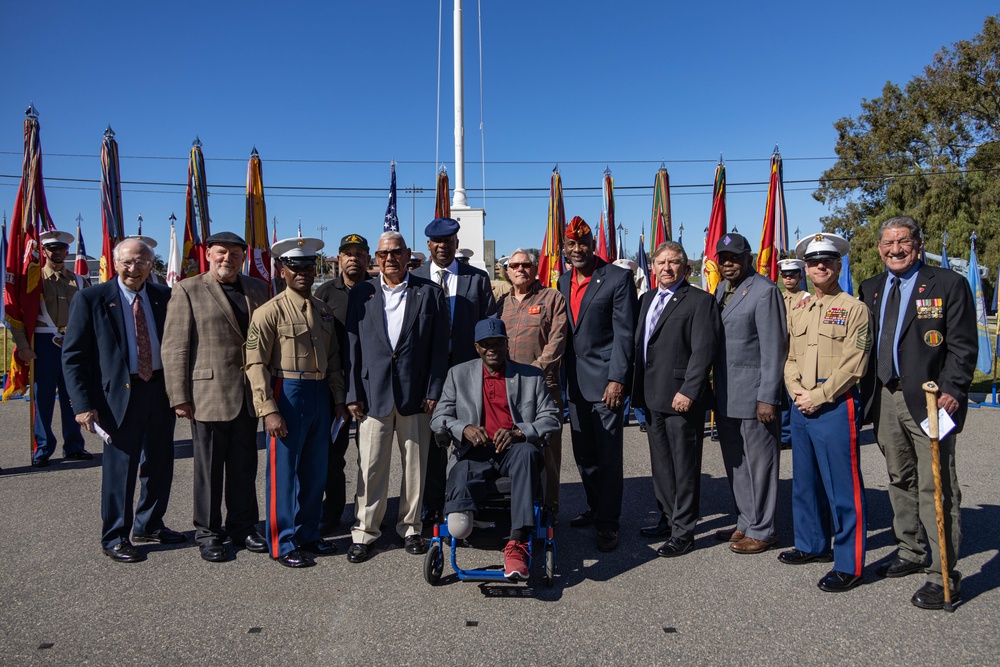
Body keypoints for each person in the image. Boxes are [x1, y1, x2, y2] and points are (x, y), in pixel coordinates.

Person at [858, 215, 977, 610]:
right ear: (879, 248)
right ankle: (910, 549)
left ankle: (943, 574)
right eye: (888, 243)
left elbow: (962, 345)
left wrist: (954, 389)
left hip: (930, 400)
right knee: (899, 478)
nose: (895, 250)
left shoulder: (947, 284)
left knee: (936, 486)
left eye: (903, 242)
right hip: (885, 398)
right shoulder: (871, 288)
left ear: (918, 244)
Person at [62, 238, 185, 562]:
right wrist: (83, 405)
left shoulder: (164, 297)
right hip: (117, 394)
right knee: (121, 468)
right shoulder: (91, 299)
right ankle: (115, 536)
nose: (135, 268)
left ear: (151, 265)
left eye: (142, 262)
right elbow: (73, 357)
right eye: (128, 262)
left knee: (160, 463)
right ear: (116, 263)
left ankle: (149, 524)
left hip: (159, 391)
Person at [161, 231, 271, 562]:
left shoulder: (258, 288)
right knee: (208, 470)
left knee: (244, 466)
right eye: (222, 253)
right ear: (208, 254)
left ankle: (243, 526)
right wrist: (178, 396)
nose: (228, 259)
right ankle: (208, 532)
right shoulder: (188, 289)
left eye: (235, 254)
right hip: (207, 394)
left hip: (249, 394)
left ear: (243, 257)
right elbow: (175, 346)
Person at [344, 231, 450, 563]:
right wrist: (352, 393)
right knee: (370, 467)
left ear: (408, 256)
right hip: (372, 396)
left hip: (416, 396)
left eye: (396, 253)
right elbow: (352, 349)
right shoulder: (362, 293)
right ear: (376, 259)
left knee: (415, 467)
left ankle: (411, 527)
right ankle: (365, 531)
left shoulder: (430, 293)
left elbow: (439, 348)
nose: (390, 258)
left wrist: (434, 390)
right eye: (384, 254)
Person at [245, 237, 347, 568]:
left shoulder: (322, 310)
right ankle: (282, 540)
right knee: (284, 472)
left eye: (308, 266)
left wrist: (339, 400)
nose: (303, 272)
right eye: (296, 267)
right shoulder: (268, 312)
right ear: (282, 270)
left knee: (316, 470)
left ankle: (308, 534)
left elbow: (332, 360)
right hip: (286, 391)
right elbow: (255, 363)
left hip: (319, 395)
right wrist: (268, 409)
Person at [430, 317, 560, 579]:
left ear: (506, 344)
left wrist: (519, 432)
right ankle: (463, 526)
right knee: (460, 476)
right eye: (486, 344)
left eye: (498, 343)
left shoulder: (531, 376)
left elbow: (552, 418)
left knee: (527, 453)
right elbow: (438, 418)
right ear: (477, 347)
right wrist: (464, 428)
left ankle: (517, 542)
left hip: (513, 450)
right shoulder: (459, 374)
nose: (493, 349)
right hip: (474, 451)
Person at [779, 234, 871, 593]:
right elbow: (789, 356)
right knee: (805, 481)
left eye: (827, 261)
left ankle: (849, 564)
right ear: (805, 268)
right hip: (801, 400)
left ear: (837, 266)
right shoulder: (800, 309)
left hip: (835, 403)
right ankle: (811, 544)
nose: (820, 266)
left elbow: (855, 364)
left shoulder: (854, 308)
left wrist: (818, 395)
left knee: (843, 488)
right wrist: (796, 391)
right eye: (814, 261)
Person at [632, 241, 721, 556]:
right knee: (662, 465)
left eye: (673, 262)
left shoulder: (700, 301)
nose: (666, 268)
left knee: (684, 466)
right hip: (651, 395)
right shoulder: (646, 300)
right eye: (661, 262)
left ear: (686, 267)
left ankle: (684, 531)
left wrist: (690, 390)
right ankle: (668, 518)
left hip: (681, 397)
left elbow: (703, 350)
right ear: (652, 267)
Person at [557, 216, 637, 552]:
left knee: (607, 457)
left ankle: (608, 523)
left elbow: (624, 333)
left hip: (605, 383)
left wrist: (617, 379)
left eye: (583, 243)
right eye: (571, 244)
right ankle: (594, 507)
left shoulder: (617, 278)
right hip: (574, 384)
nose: (578, 250)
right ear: (564, 248)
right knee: (584, 454)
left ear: (593, 245)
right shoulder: (562, 281)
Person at [411, 217, 497, 525]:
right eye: (437, 243)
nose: (443, 247)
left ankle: (472, 501)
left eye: (449, 242)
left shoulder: (477, 278)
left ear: (456, 244)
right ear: (429, 246)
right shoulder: (416, 278)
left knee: (471, 435)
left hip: (467, 373)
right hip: (429, 375)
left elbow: (488, 325)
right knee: (434, 441)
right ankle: (433, 505)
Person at [713, 233, 787, 554]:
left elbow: (774, 349)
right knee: (737, 463)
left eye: (735, 257)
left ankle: (764, 529)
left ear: (749, 258)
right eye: (723, 258)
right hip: (727, 395)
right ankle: (745, 520)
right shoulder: (720, 290)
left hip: (755, 396)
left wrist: (768, 396)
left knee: (761, 465)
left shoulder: (765, 291)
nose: (728, 263)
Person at [496, 248, 568, 515]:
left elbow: (557, 341)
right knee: (511, 447)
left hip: (542, 388)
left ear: (535, 268)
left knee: (547, 449)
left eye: (525, 264)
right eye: (514, 265)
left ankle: (549, 508)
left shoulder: (552, 298)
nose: (519, 269)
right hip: (506, 388)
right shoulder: (500, 303)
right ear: (508, 270)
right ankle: (517, 507)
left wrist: (533, 373)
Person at [11, 230, 91, 467]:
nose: (57, 252)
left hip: (73, 345)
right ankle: (42, 448)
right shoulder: (32, 281)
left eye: (62, 249)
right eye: (52, 248)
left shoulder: (79, 281)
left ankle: (74, 446)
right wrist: (23, 347)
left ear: (67, 252)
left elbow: (89, 318)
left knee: (73, 398)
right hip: (43, 344)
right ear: (43, 251)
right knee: (42, 399)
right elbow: (16, 317)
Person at [314, 233, 371, 535]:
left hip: (371, 386)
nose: (354, 259)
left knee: (371, 455)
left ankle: (367, 514)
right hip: (333, 387)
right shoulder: (324, 293)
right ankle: (333, 511)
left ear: (368, 258)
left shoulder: (377, 291)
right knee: (332, 456)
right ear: (338, 259)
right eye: (347, 254)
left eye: (359, 254)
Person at [779, 258, 810, 450]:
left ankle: (795, 434)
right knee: (783, 395)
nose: (788, 279)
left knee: (796, 394)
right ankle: (784, 434)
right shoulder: (778, 297)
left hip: (799, 354)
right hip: (781, 353)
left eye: (792, 275)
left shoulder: (807, 298)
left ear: (800, 276)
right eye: (785, 275)